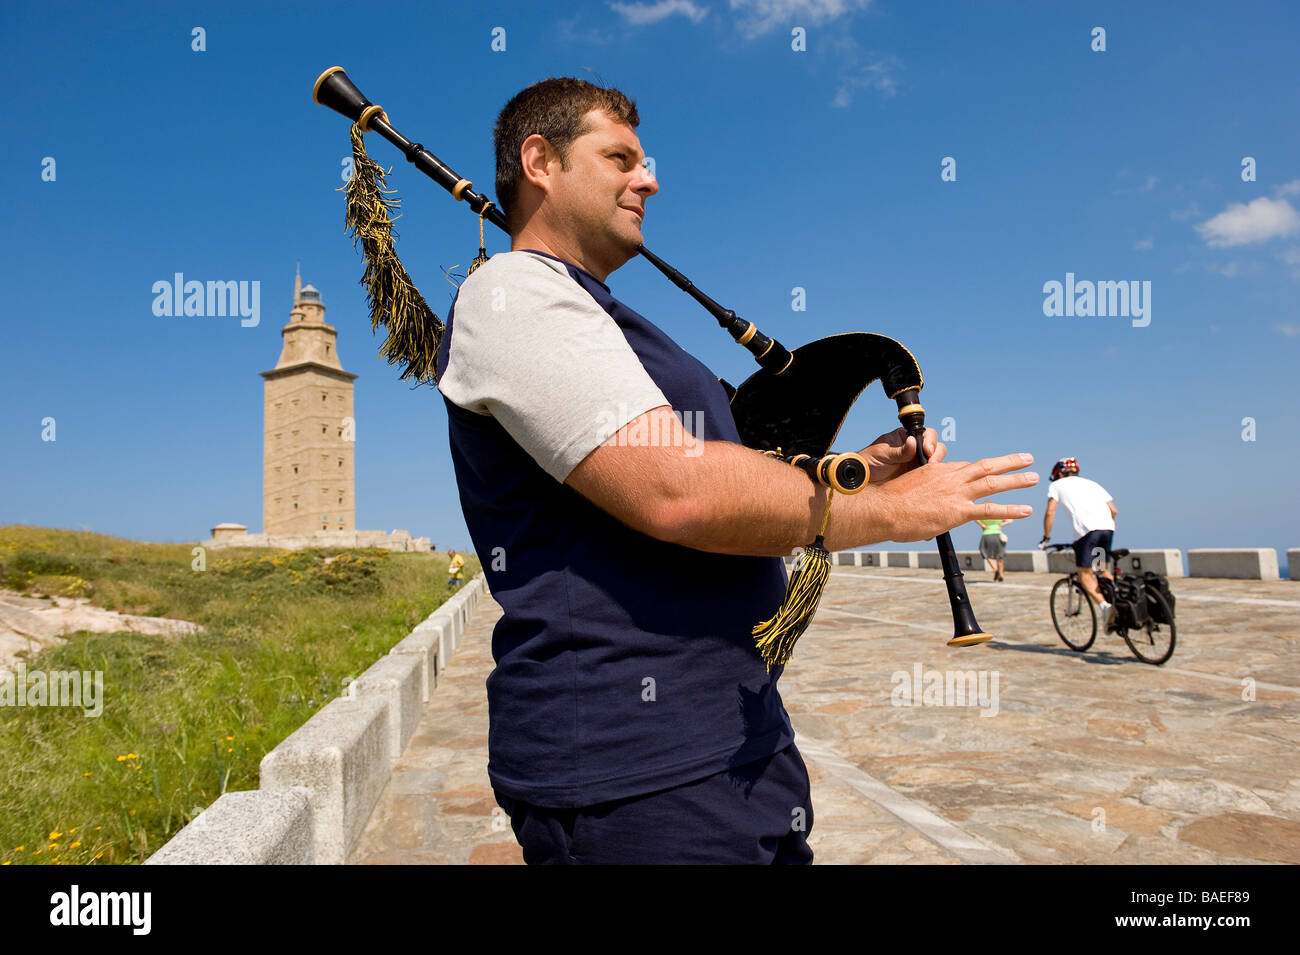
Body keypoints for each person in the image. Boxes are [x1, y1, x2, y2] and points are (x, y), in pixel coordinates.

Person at [433, 77, 1037, 864]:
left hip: (730, 744)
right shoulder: (510, 294)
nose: (648, 179)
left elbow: (719, 468)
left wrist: (857, 473)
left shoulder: (606, 316)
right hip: (635, 771)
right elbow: (675, 489)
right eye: (620, 157)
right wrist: (891, 515)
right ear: (540, 160)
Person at [1039, 457, 1118, 627]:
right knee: (1102, 569)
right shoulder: (1092, 484)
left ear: (1059, 473)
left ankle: (1106, 607)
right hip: (1106, 530)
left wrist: (1046, 538)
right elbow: (1113, 510)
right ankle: (1118, 601)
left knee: (1084, 575)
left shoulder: (1056, 485)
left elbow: (1050, 513)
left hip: (1087, 533)